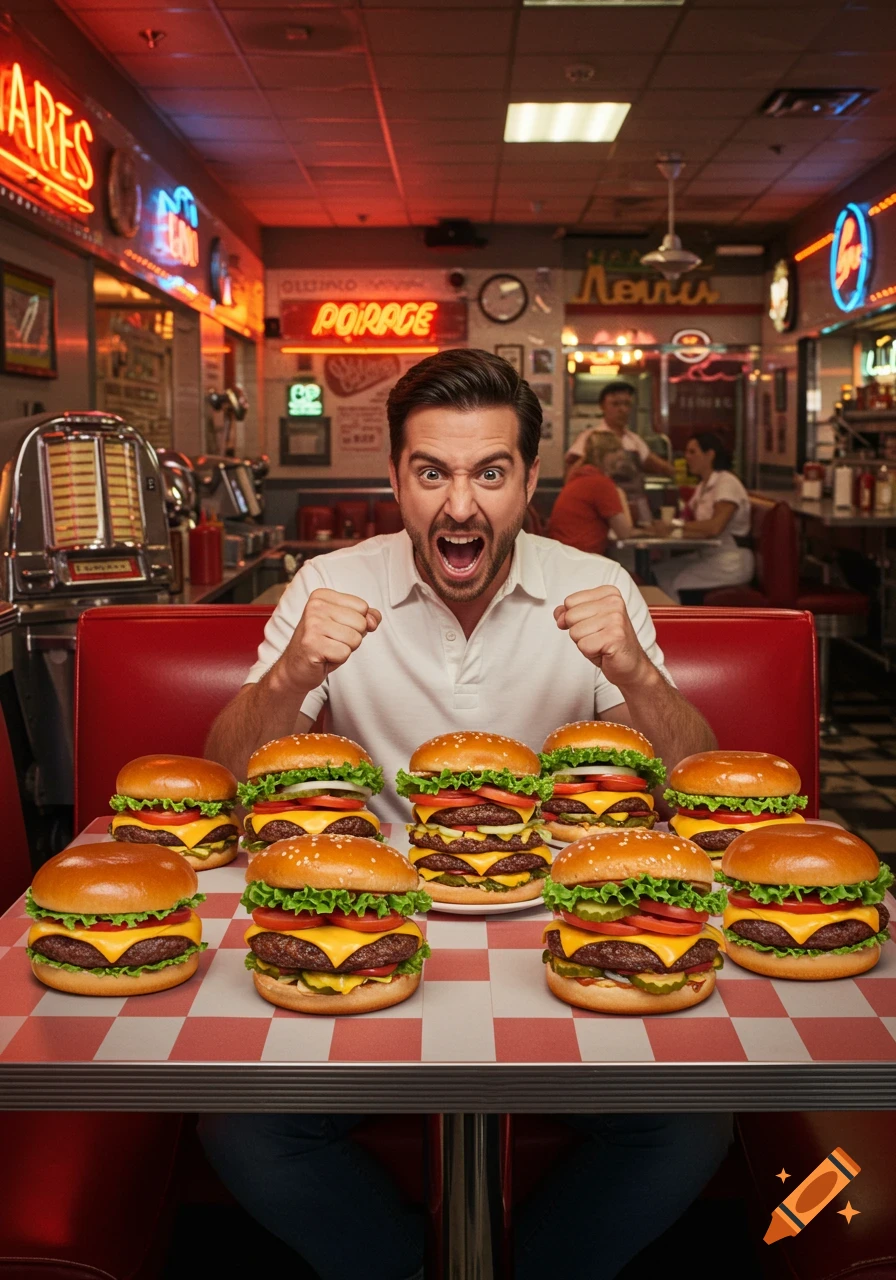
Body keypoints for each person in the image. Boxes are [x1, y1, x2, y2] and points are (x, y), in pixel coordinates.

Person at [200, 349, 728, 1280]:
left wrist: (635, 670)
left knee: (690, 1126)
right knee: (244, 1129)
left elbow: (694, 789)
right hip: (364, 929)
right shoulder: (329, 583)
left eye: (490, 473)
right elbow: (224, 780)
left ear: (531, 479)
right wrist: (292, 674)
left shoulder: (591, 584)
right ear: (394, 476)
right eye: (432, 472)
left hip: (565, 933)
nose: (459, 506)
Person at [651, 431, 754, 604]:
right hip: (708, 555)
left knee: (673, 582)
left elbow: (714, 527)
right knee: (658, 572)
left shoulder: (726, 482)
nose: (687, 457)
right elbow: (689, 520)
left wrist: (674, 525)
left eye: (692, 452)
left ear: (710, 454)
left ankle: (679, 628)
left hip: (730, 560)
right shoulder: (702, 486)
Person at [565, 380, 675, 482]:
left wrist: (678, 473)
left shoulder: (635, 441)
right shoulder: (589, 437)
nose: (623, 410)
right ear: (602, 406)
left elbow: (657, 465)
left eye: (627, 404)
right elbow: (570, 475)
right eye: (615, 404)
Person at [548, 428, 634, 554]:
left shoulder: (580, 477)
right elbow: (624, 533)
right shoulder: (600, 483)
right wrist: (621, 495)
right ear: (601, 455)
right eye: (614, 450)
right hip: (581, 561)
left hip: (562, 557)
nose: (621, 455)